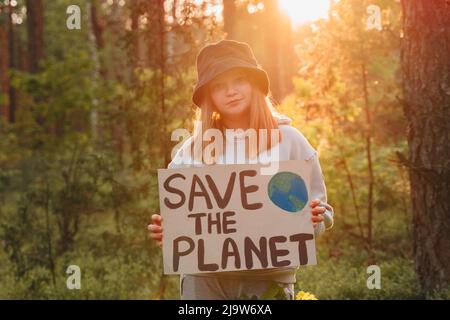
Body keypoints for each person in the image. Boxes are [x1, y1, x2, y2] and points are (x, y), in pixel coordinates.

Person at [148, 39, 334, 300]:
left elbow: (320, 211)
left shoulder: (290, 140)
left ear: (255, 84)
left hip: (268, 280)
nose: (231, 91)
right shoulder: (190, 151)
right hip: (204, 283)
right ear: (208, 96)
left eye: (239, 81)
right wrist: (168, 231)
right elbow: (183, 221)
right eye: (219, 86)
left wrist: (315, 217)